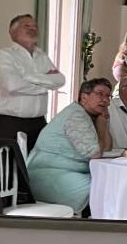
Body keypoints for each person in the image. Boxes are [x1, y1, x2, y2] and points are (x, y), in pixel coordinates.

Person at [28, 78, 113, 213]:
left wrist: (103, 123)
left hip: (68, 172)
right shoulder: (76, 116)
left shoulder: (88, 116)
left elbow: (106, 148)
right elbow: (96, 153)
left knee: (112, 185)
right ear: (84, 97)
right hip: (50, 176)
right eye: (100, 94)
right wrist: (102, 125)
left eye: (108, 96)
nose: (105, 100)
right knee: (109, 190)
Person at [0, 13, 65, 153]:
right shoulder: (4, 55)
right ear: (12, 32)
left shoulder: (42, 56)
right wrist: (45, 86)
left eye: (34, 26)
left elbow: (60, 80)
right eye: (26, 26)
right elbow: (12, 85)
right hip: (10, 123)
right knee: (9, 171)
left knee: (36, 171)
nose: (32, 29)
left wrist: (28, 77)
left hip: (39, 123)